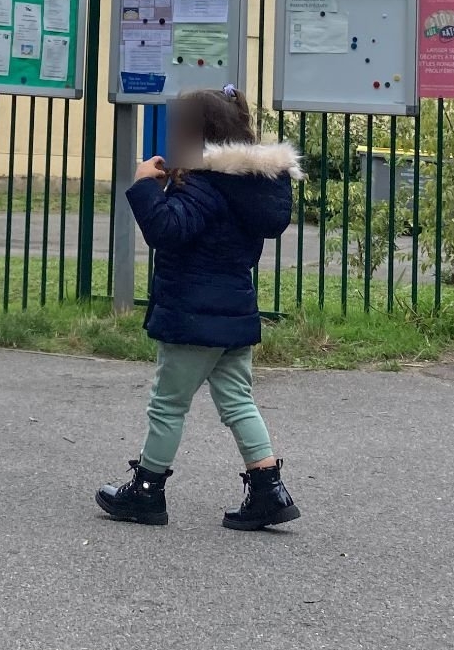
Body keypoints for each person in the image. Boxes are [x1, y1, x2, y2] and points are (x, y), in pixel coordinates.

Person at [95, 85, 304, 531]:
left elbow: (167, 230)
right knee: (238, 401)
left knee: (168, 404)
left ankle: (147, 490)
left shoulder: (205, 185)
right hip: (233, 313)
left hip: (194, 315)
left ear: (196, 134)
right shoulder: (248, 186)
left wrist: (144, 186)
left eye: (177, 128)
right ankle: (268, 489)